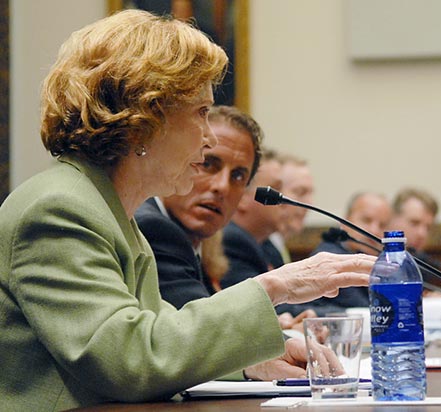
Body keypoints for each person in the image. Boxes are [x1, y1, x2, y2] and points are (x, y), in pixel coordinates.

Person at [0, 11, 375, 410]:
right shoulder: (60, 210)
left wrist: (259, 359)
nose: (209, 135)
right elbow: (130, 360)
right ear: (145, 118)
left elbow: (161, 333)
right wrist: (274, 287)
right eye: (200, 113)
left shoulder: (107, 209)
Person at [135, 105, 313, 330]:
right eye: (208, 163)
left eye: (238, 176)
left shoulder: (200, 245)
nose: (222, 187)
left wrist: (274, 328)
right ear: (179, 159)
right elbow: (203, 332)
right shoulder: (155, 228)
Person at [277, 192, 391, 316]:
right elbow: (364, 307)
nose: (374, 230)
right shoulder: (331, 256)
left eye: (382, 225)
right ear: (345, 221)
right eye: (366, 220)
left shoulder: (384, 261)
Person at [220, 150, 286, 288]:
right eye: (276, 189)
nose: (285, 200)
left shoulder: (268, 246)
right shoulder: (232, 241)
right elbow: (267, 301)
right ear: (243, 197)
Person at [263, 154, 315, 267]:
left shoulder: (279, 246)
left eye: (310, 194)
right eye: (300, 192)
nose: (309, 203)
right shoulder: (257, 246)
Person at [390, 187, 439, 252]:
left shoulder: (425, 260)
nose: (422, 234)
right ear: (393, 218)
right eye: (415, 223)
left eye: (428, 228)